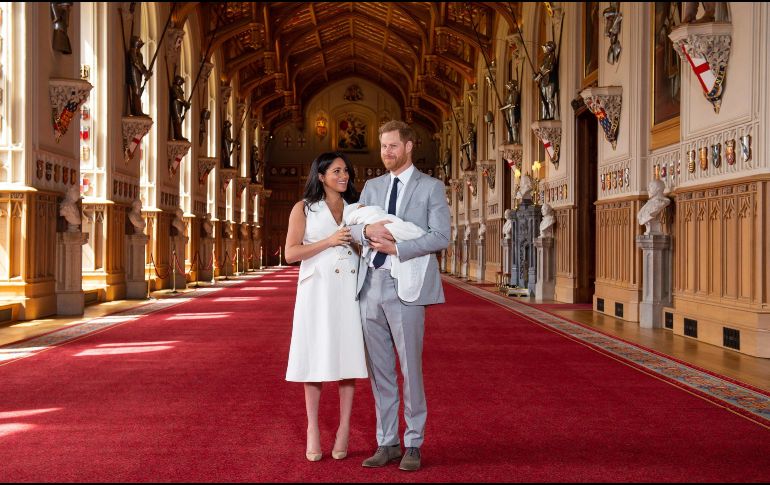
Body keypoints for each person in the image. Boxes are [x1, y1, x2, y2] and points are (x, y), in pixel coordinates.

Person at [349, 120, 450, 472]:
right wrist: (364, 229)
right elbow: (352, 227)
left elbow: (440, 236)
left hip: (406, 285)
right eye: (383, 146)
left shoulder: (431, 187)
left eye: (393, 146)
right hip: (369, 285)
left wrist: (398, 246)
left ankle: (413, 443)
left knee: (410, 369)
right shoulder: (372, 186)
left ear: (409, 147)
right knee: (380, 372)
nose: (386, 152)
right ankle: (387, 441)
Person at [284, 151, 367, 463]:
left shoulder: (356, 209)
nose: (343, 176)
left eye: (345, 170)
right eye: (336, 171)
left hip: (348, 289)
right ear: (320, 176)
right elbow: (291, 253)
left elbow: (364, 248)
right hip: (316, 291)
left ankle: (344, 428)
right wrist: (329, 241)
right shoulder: (304, 208)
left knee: (348, 358)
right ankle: (313, 429)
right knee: (314, 358)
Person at [170, 75, 190, 141]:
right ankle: (178, 135)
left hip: (179, 105)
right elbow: (178, 97)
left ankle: (179, 134)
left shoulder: (178, 88)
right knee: (178, 119)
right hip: (176, 104)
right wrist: (185, 103)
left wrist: (185, 104)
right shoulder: (175, 87)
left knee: (179, 120)